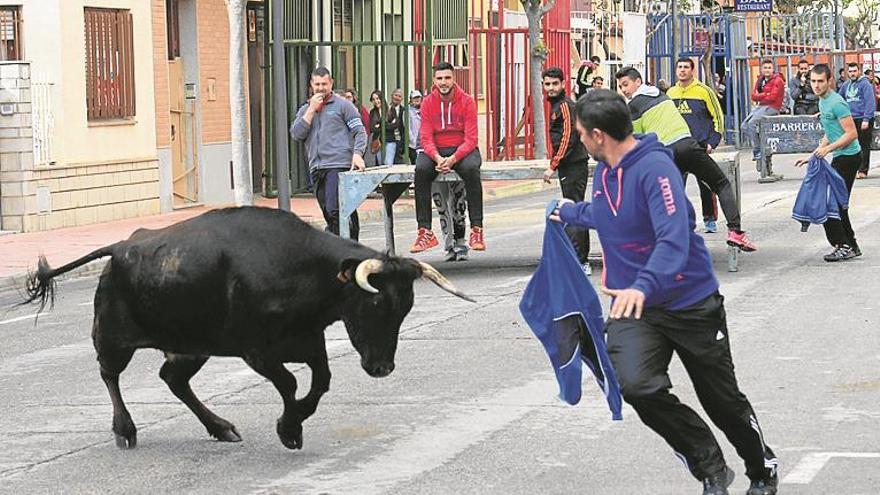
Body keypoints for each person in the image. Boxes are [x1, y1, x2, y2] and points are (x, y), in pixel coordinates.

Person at [550, 89, 778, 495]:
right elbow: (610, 214)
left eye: (583, 133)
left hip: (689, 303)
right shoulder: (605, 169)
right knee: (636, 386)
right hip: (635, 308)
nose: (581, 141)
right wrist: (569, 211)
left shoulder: (657, 169)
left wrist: (642, 284)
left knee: (722, 403)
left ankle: (762, 468)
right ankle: (710, 465)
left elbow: (672, 240)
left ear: (598, 135)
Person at [615, 66, 757, 251]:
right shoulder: (661, 93)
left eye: (626, 85)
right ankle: (735, 232)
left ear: (638, 82)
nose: (624, 90)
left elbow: (634, 141)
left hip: (664, 155)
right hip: (686, 146)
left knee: (670, 197)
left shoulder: (632, 108)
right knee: (721, 184)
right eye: (620, 86)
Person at [410, 61, 485, 253]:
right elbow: (425, 138)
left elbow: (471, 139)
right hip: (437, 150)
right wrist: (437, 158)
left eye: (447, 78)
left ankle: (477, 229)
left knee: (470, 169)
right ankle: (425, 231)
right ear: (434, 80)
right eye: (439, 78)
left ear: (454, 79)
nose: (443, 82)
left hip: (462, 149)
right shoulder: (427, 102)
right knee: (420, 169)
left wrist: (452, 159)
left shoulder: (467, 101)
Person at [290, 67, 366, 240]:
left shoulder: (344, 106)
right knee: (330, 212)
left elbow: (359, 132)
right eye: (317, 84)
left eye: (324, 84)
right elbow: (296, 134)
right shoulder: (305, 110)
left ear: (331, 83)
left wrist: (357, 153)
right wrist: (311, 110)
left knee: (335, 209)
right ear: (311, 85)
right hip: (316, 166)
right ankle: (350, 244)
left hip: (338, 165)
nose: (321, 88)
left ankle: (343, 246)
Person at [797, 63, 863, 261]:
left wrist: (828, 149)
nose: (816, 85)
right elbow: (831, 130)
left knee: (831, 204)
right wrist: (815, 153)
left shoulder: (836, 102)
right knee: (837, 204)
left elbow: (851, 133)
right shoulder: (822, 101)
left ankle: (844, 245)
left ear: (829, 81)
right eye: (813, 81)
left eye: (820, 81)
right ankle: (850, 245)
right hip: (839, 156)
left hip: (849, 158)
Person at [540, 67, 592, 272]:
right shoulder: (555, 106)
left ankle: (581, 260)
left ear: (563, 84)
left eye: (555, 84)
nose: (551, 88)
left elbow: (568, 137)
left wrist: (554, 164)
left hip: (574, 165)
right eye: (547, 84)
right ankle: (578, 258)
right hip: (569, 165)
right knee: (572, 209)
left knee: (574, 209)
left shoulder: (564, 106)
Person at [668, 58, 727, 234]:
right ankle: (679, 222)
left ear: (692, 71)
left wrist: (713, 141)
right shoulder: (670, 93)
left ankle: (709, 220)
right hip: (677, 147)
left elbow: (718, 117)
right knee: (675, 187)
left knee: (706, 185)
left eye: (686, 67)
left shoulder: (704, 92)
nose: (682, 70)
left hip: (700, 147)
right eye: (680, 67)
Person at [742, 59, 784, 165]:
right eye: (765, 68)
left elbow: (773, 97)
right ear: (761, 69)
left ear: (773, 69)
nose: (767, 70)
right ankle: (760, 142)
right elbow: (753, 96)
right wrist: (766, 94)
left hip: (772, 107)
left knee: (752, 123)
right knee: (744, 126)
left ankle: (758, 150)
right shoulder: (760, 79)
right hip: (761, 106)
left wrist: (761, 96)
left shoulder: (778, 80)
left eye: (769, 68)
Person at [838, 63, 876, 179]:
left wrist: (866, 118)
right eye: (850, 71)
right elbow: (839, 100)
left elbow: (870, 102)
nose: (852, 73)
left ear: (859, 71)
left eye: (854, 71)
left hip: (862, 119)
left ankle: (863, 170)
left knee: (863, 146)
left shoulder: (865, 84)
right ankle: (851, 170)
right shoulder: (845, 85)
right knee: (851, 146)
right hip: (849, 120)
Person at [406, 89, 423, 164]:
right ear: (411, 99)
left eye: (418, 97)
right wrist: (413, 140)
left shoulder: (424, 109)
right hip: (413, 144)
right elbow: (407, 127)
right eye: (414, 98)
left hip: (423, 142)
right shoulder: (407, 111)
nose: (417, 100)